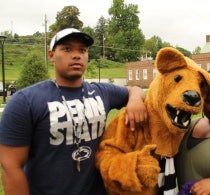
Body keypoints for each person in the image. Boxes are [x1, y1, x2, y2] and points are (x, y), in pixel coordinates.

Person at [0, 28, 148, 195]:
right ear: (51, 55)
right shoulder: (25, 101)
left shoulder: (101, 92)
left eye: (82, 50)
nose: (76, 55)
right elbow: (11, 166)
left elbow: (134, 89)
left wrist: (135, 99)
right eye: (67, 49)